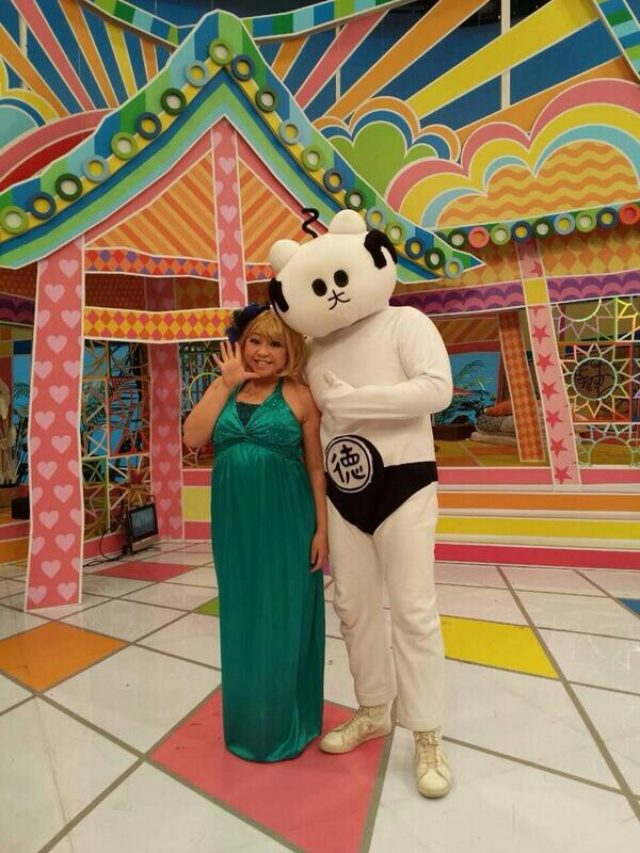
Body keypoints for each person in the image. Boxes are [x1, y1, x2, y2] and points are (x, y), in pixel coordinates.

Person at [269, 210, 453, 797]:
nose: (332, 292)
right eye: (319, 286)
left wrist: (358, 402)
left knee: (414, 609)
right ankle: (374, 707)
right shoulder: (314, 352)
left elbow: (437, 390)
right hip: (345, 494)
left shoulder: (405, 322)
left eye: (339, 278)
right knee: (353, 608)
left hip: (406, 483)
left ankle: (427, 731)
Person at [183, 304, 327, 762]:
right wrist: (224, 383)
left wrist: (322, 530)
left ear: (291, 351)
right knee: (242, 616)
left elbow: (316, 468)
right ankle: (248, 724)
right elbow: (192, 437)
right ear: (241, 344)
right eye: (255, 341)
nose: (263, 352)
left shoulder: (300, 395)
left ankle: (285, 724)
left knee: (283, 617)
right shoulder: (227, 388)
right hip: (234, 525)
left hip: (288, 522)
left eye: (275, 344)